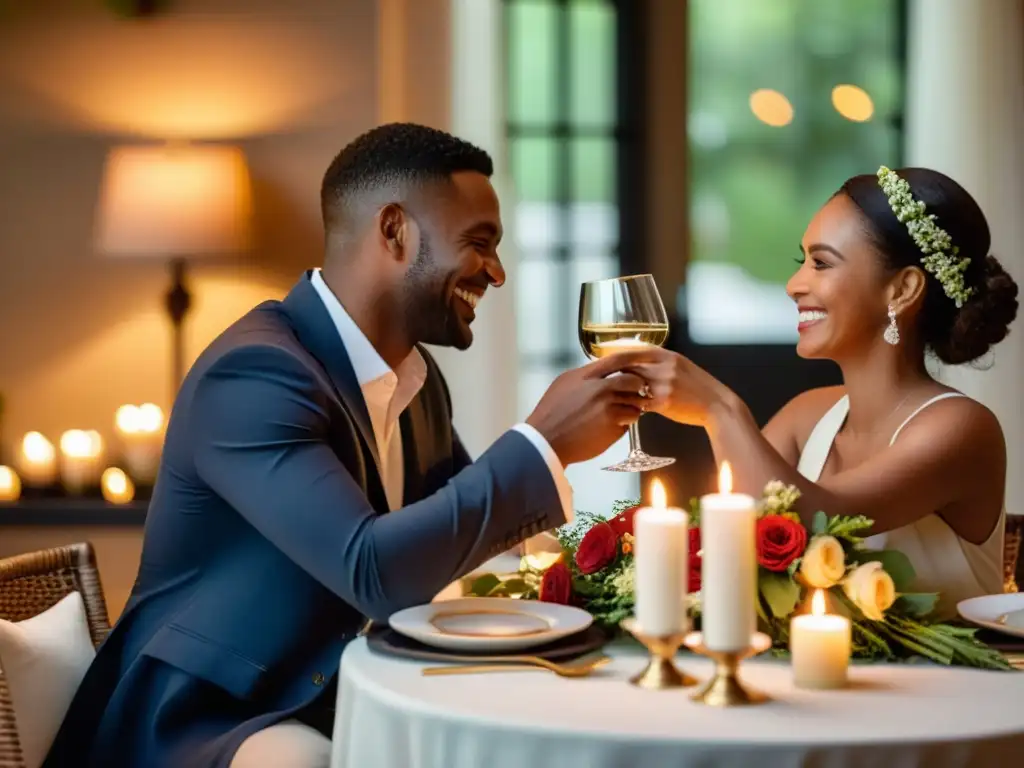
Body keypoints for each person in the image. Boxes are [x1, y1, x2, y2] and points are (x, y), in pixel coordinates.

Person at [44, 123, 654, 768]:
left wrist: (619, 570)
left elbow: (463, 538)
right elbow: (375, 571)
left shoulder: (416, 378)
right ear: (395, 231)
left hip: (345, 692)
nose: (496, 273)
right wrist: (544, 442)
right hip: (210, 718)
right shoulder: (255, 375)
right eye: (478, 243)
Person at [631, 166, 1018, 618]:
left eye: (822, 262)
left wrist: (718, 408)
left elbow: (817, 522)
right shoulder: (806, 416)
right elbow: (732, 538)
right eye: (802, 262)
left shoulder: (961, 429)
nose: (794, 285)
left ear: (903, 288)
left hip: (954, 687)